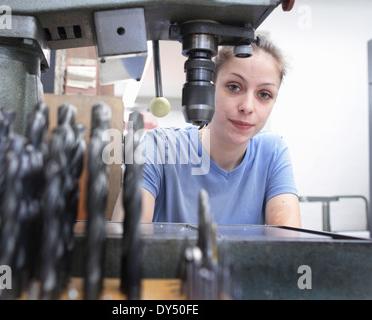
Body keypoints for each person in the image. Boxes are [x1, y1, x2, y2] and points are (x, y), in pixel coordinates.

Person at [112, 37, 301, 227]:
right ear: (210, 88)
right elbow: (124, 241)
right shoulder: (159, 146)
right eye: (234, 87)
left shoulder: (272, 152)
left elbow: (287, 245)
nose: (247, 107)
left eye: (264, 94)